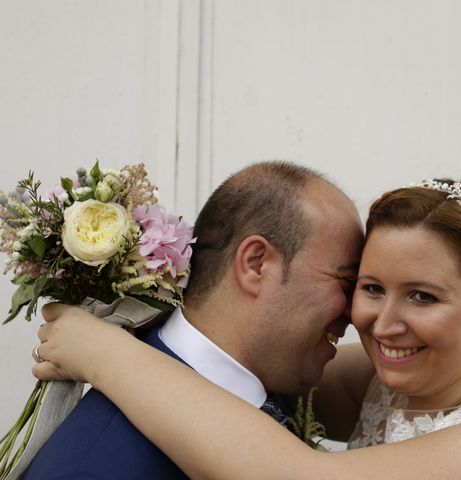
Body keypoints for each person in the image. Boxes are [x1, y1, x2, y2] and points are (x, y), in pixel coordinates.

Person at [32, 178, 461, 479]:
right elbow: (235, 364)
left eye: (423, 296)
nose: (378, 322)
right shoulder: (383, 382)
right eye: (368, 287)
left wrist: (103, 353)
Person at [22, 161, 364, 479]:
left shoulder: (269, 386)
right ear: (256, 264)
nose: (357, 313)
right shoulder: (92, 469)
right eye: (347, 283)